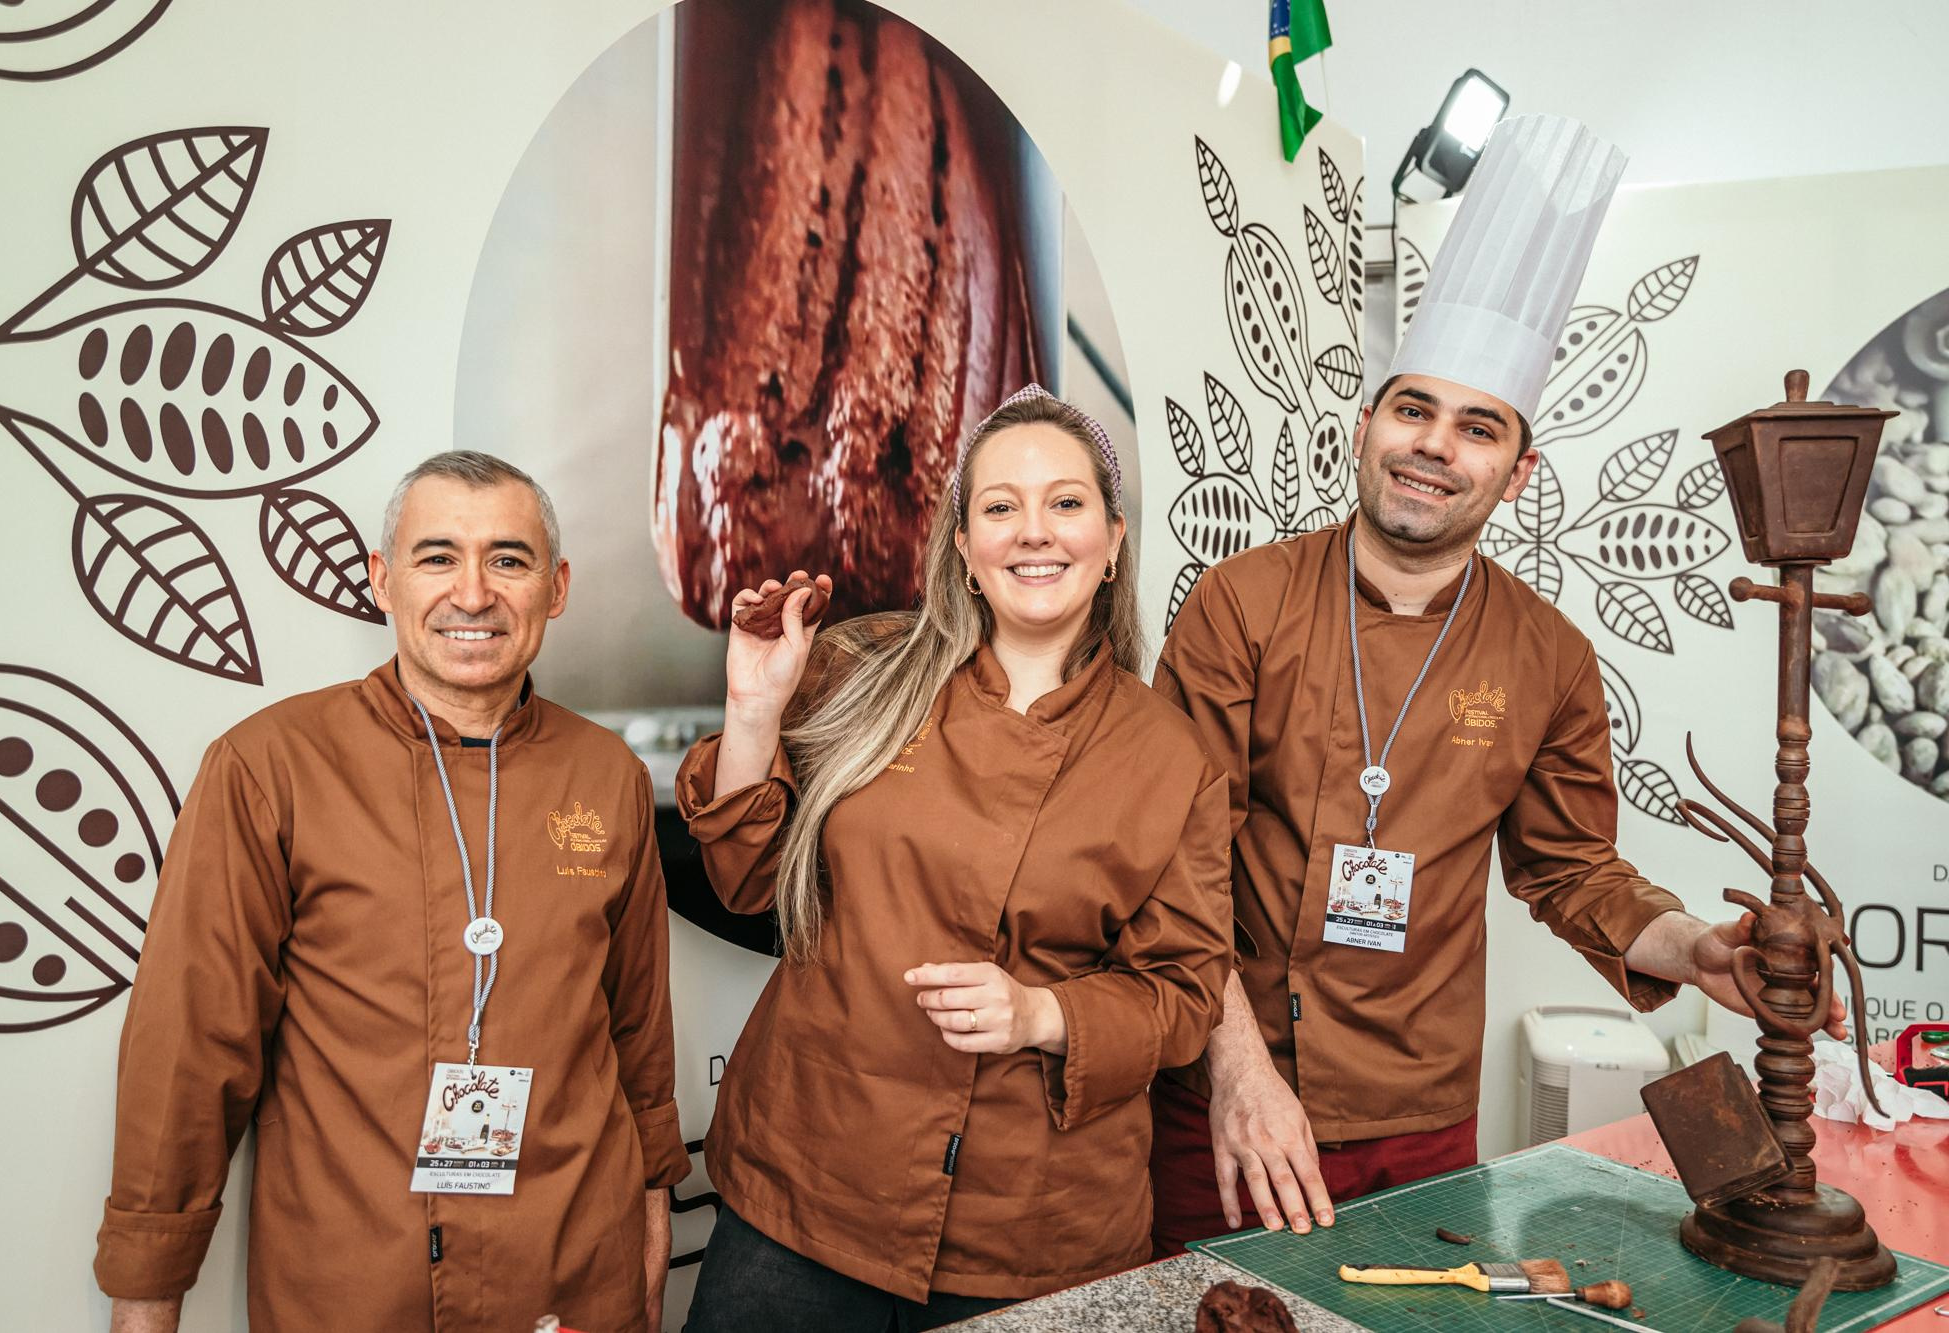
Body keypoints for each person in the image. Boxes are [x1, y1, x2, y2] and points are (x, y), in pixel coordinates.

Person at [1146, 115, 1847, 1253]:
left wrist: (1685, 945)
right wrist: (1232, 1071)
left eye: (1476, 428)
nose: (1434, 444)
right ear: (1365, 425)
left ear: (1515, 473)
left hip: (1418, 1111)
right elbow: (1172, 862)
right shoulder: (1240, 601)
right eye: (1412, 409)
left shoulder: (1548, 654)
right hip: (1224, 1090)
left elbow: (1567, 866)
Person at [676, 387, 1233, 1331]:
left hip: (1030, 1225)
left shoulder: (1171, 755)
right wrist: (754, 709)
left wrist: (1042, 1011)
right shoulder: (863, 668)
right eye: (1000, 507)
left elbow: (1184, 991)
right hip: (808, 1193)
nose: (1033, 532)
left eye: (1065, 503)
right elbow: (744, 878)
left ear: (1112, 539)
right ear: (965, 549)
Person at [95, 452, 688, 1333]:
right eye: (438, 555)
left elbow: (638, 1035)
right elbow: (190, 1050)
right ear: (383, 579)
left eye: (510, 560)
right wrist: (147, 1300)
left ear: (556, 588)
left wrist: (650, 1224)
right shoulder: (271, 767)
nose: (475, 593)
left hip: (570, 1281)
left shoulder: (608, 773)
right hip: (352, 1288)